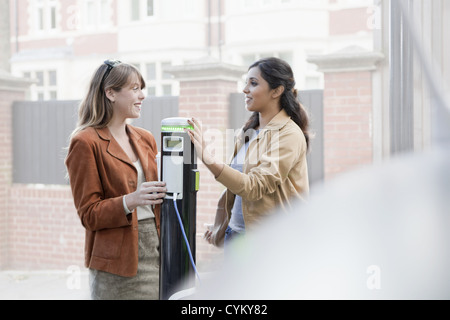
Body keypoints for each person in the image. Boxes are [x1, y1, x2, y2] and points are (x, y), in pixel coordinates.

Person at [65, 60, 167, 300]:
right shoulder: (85, 142)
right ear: (110, 93)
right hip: (117, 264)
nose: (142, 95)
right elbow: (89, 214)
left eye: (141, 88)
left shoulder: (145, 138)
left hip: (156, 251)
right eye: (134, 89)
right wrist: (130, 200)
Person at [186, 57, 310, 253]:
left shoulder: (289, 135)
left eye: (253, 83)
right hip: (236, 237)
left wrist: (207, 157)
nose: (245, 89)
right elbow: (236, 187)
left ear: (276, 91)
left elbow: (254, 187)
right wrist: (223, 223)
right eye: (246, 83)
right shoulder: (248, 131)